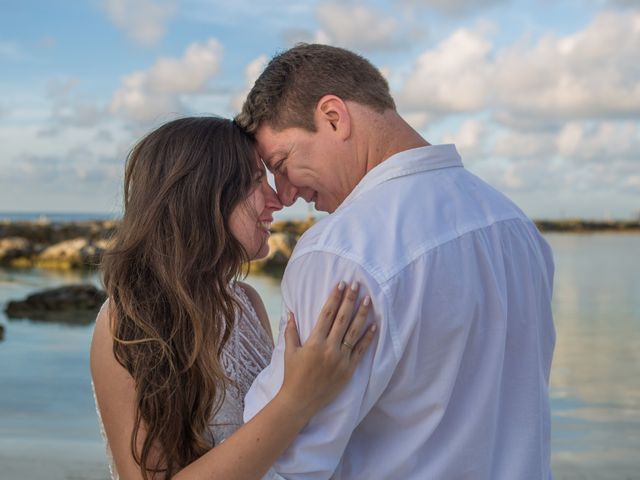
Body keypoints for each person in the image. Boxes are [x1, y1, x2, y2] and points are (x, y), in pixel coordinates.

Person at [236, 43, 556, 479]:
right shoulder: (515, 225)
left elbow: (282, 465)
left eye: (282, 163)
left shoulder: (340, 253)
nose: (287, 194)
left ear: (334, 117)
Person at [90, 117, 376, 480]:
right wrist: (300, 396)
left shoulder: (246, 302)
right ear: (204, 194)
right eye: (257, 181)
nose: (277, 201)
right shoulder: (128, 321)